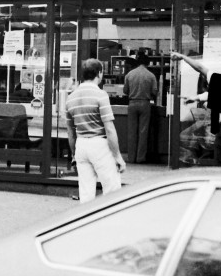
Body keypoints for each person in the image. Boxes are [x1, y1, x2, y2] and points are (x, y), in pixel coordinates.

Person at [66, 58, 126, 203]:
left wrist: (74, 154)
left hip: (81, 146)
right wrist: (118, 156)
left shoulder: (70, 98)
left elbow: (70, 133)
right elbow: (109, 129)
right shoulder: (100, 95)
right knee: (112, 192)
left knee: (86, 195)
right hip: (99, 145)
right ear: (99, 73)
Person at [122, 51, 158, 164]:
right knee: (143, 132)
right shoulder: (151, 75)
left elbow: (125, 91)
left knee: (132, 132)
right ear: (147, 63)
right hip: (145, 104)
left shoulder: (129, 74)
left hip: (132, 103)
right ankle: (140, 158)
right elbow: (155, 92)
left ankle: (131, 158)